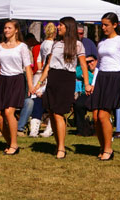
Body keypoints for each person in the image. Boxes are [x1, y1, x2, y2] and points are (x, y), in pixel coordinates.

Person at [86, 12, 120, 161]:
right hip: (101, 78)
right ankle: (102, 147)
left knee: (104, 115)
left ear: (115, 25)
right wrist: (93, 83)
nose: (103, 27)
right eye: (102, 24)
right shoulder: (101, 42)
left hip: (114, 78)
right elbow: (98, 65)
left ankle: (109, 150)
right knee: (96, 116)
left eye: (106, 25)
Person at [35, 16, 91, 159]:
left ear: (68, 27)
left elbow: (84, 65)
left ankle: (61, 148)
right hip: (52, 78)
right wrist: (39, 83)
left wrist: (86, 84)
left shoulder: (78, 45)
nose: (57, 27)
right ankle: (57, 143)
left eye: (60, 25)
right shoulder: (55, 44)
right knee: (52, 113)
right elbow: (48, 66)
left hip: (66, 79)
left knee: (59, 113)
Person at [0, 20, 33, 155]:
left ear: (16, 30)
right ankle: (9, 142)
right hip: (3, 81)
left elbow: (27, 67)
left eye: (9, 28)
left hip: (17, 80)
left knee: (8, 112)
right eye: (5, 28)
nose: (6, 30)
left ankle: (14, 144)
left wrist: (30, 85)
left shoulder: (22, 47)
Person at [28, 22, 57, 138]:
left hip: (40, 74)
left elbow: (39, 60)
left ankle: (34, 129)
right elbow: (50, 62)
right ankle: (49, 128)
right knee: (50, 102)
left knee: (37, 101)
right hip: (48, 74)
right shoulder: (53, 44)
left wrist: (40, 72)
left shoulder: (43, 44)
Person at [16, 33, 40, 137]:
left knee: (30, 102)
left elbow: (31, 67)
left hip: (27, 80)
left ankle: (19, 128)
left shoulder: (32, 49)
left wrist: (31, 85)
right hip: (12, 82)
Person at [73, 55, 96, 137]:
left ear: (96, 61)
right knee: (78, 104)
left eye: (91, 61)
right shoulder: (84, 71)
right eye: (87, 62)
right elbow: (77, 73)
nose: (89, 63)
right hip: (86, 94)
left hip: (98, 95)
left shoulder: (100, 71)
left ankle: (97, 129)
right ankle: (80, 129)